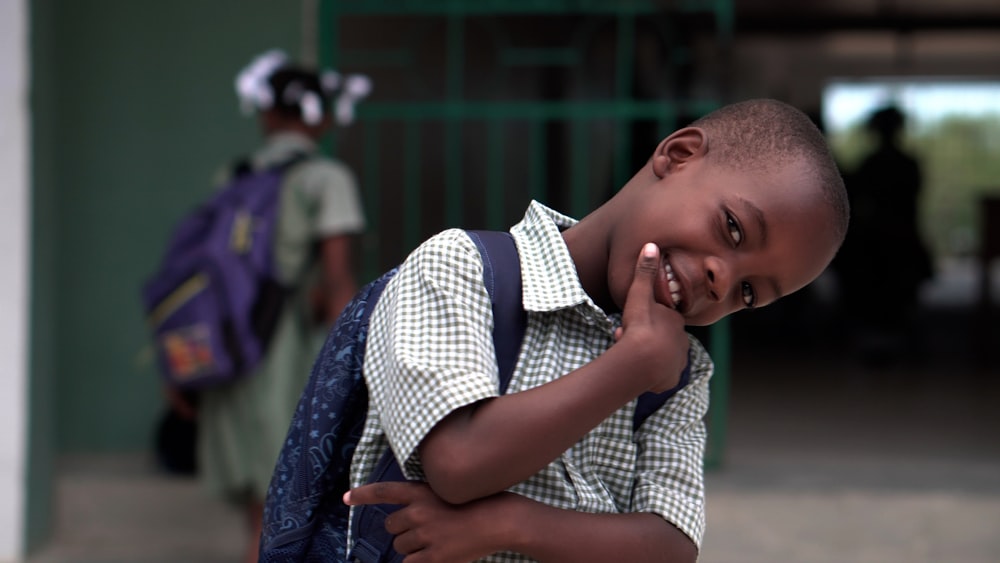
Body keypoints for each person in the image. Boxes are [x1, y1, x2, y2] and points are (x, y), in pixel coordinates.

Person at [338, 98, 850, 561]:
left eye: (749, 293)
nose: (723, 280)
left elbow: (670, 544)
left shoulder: (680, 375)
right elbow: (459, 462)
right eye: (733, 228)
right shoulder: (463, 268)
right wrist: (630, 368)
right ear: (678, 156)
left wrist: (508, 523)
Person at [182, 50, 369, 563]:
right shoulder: (326, 178)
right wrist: (352, 366)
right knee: (286, 501)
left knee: (257, 507)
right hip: (289, 352)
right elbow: (337, 275)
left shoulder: (234, 176)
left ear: (267, 115)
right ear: (322, 117)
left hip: (230, 347)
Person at [834, 105, 932, 366]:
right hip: (889, 244)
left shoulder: (880, 165)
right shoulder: (904, 164)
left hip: (884, 246)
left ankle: (886, 342)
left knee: (885, 296)